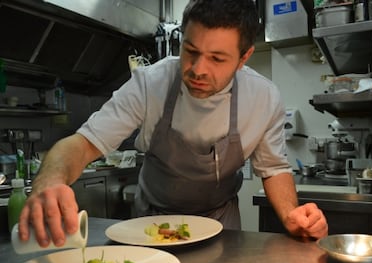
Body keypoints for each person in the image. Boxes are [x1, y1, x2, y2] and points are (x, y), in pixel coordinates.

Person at [18, 0, 328, 248]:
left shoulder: (263, 97)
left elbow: (273, 168)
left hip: (221, 225)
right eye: (190, 51)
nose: (197, 69)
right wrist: (50, 183)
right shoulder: (150, 83)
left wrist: (291, 215)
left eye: (217, 59)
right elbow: (81, 144)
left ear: (244, 56)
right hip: (151, 223)